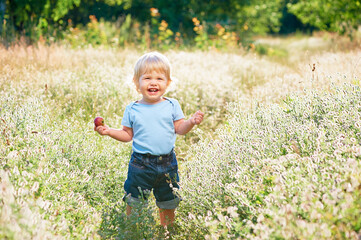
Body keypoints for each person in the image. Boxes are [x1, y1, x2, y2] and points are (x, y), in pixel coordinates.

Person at [95, 52, 204, 227]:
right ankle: (134, 230)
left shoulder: (172, 105)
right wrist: (109, 131)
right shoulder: (132, 109)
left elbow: (180, 129)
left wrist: (191, 122)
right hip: (140, 164)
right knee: (135, 200)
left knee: (168, 200)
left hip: (167, 163)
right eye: (147, 78)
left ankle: (166, 230)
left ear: (168, 83)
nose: (153, 82)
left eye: (160, 78)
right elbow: (127, 135)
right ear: (137, 83)